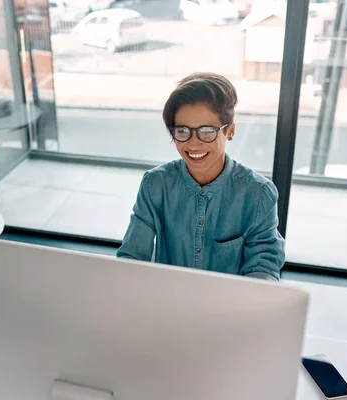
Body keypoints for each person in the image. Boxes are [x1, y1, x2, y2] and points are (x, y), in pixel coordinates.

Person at [117, 72, 285, 280]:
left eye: (206, 131)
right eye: (182, 131)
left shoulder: (258, 194)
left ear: (230, 131)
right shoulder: (156, 184)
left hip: (230, 308)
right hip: (167, 302)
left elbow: (264, 269)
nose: (193, 144)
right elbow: (132, 256)